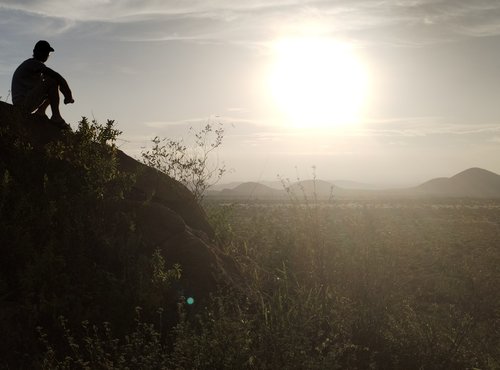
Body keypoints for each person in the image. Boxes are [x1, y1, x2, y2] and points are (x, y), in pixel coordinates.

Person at [11, 40, 74, 127]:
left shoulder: (38, 69)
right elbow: (56, 76)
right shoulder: (32, 63)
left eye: (47, 53)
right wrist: (68, 93)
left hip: (27, 102)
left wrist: (63, 90)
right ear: (35, 52)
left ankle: (41, 111)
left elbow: (56, 82)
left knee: (51, 82)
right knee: (52, 81)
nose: (46, 54)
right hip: (21, 104)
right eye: (43, 51)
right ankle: (56, 116)